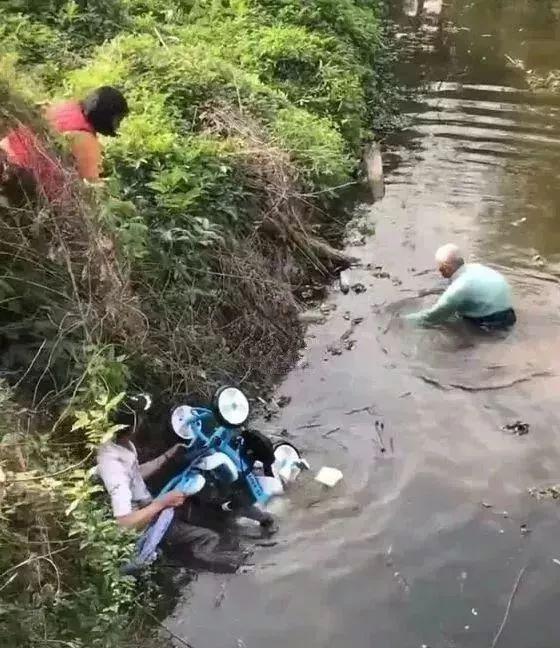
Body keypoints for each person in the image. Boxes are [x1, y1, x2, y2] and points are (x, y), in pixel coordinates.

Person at [96, 395, 244, 573]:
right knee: (208, 537)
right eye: (140, 416)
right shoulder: (113, 466)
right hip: (139, 532)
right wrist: (162, 503)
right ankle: (232, 567)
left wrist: (167, 456)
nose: (143, 420)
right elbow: (124, 523)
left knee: (194, 510)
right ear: (133, 425)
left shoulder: (119, 444)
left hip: (147, 506)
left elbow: (134, 475)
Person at [0, 86, 128, 195]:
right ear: (106, 113)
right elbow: (91, 187)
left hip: (5, 153)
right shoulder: (85, 140)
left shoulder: (65, 108)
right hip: (17, 178)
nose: (117, 126)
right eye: (117, 120)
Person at [405, 243, 516, 329]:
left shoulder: (458, 288)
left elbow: (431, 317)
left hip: (491, 323)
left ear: (445, 267)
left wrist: (404, 320)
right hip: (510, 314)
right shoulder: (476, 267)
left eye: (439, 267)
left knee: (451, 326)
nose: (438, 270)